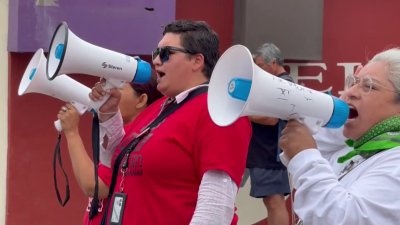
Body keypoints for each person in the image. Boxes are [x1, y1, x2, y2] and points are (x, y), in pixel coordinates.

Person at [89, 20, 252, 225]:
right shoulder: (160, 108)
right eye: (156, 52)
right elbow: (115, 158)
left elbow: (216, 204)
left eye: (166, 53)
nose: (156, 60)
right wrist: (108, 113)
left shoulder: (218, 110)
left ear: (197, 61)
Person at [279, 48, 400, 225]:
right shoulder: (361, 148)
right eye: (354, 82)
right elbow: (323, 143)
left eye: (369, 86)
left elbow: (345, 219)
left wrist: (305, 157)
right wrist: (338, 113)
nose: (349, 92)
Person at [57, 72, 162, 225]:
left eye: (119, 87)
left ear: (141, 100)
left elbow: (95, 186)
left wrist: (72, 133)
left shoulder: (135, 140)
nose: (108, 92)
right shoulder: (120, 136)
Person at [246, 43, 292, 225]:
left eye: (260, 65)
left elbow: (271, 118)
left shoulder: (283, 84)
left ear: (273, 62)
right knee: (271, 201)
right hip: (264, 152)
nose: (257, 69)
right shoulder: (273, 83)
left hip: (271, 153)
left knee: (274, 201)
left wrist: (241, 114)